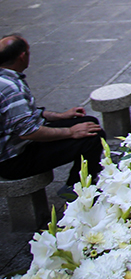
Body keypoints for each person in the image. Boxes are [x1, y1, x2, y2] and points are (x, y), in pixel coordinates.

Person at [0, 35, 104, 196]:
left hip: (16, 145)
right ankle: (76, 189)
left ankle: (81, 181)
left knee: (89, 123)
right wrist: (71, 132)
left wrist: (61, 116)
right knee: (92, 137)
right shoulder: (12, 88)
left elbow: (23, 115)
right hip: (13, 160)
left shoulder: (6, 78)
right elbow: (29, 132)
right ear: (22, 56)